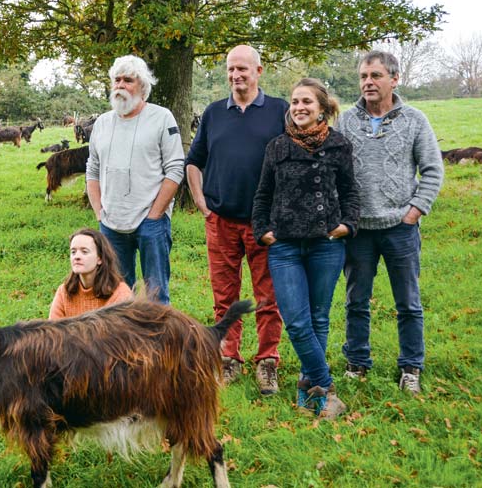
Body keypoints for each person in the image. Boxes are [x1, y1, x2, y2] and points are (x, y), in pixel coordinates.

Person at [335, 50, 444, 395]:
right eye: (364, 76)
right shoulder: (346, 122)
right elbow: (333, 171)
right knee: (356, 300)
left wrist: (414, 210)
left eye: (376, 76)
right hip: (359, 230)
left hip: (400, 227)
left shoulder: (415, 120)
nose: (368, 82)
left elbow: (432, 169)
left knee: (408, 302)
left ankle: (411, 366)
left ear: (394, 79)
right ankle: (357, 362)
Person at [252, 78, 359, 419]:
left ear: (322, 109)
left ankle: (307, 389)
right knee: (297, 321)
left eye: (306, 102)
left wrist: (347, 225)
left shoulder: (339, 146)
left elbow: (350, 192)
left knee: (318, 318)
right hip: (284, 246)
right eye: (295, 102)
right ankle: (326, 388)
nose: (299, 107)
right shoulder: (277, 147)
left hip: (326, 245)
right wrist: (263, 231)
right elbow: (263, 195)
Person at [185, 44, 287, 392]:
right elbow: (194, 161)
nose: (236, 75)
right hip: (222, 221)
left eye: (243, 69)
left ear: (259, 71)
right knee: (224, 296)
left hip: (265, 224)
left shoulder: (279, 111)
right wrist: (201, 203)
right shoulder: (214, 113)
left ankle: (267, 361)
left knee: (267, 296)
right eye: (231, 69)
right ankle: (229, 358)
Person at [86, 55, 185, 305]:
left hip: (151, 223)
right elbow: (92, 170)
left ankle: (159, 344)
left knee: (156, 294)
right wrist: (99, 211)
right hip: (111, 224)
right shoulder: (102, 123)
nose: (120, 85)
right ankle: (125, 345)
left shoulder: (162, 118)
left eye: (127, 80)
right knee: (117, 294)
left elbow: (175, 168)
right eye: (116, 80)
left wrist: (155, 214)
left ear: (142, 86)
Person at [49, 228, 133, 319]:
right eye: (73, 252)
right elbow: (52, 330)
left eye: (84, 252)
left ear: (100, 258)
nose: (76, 257)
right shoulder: (63, 292)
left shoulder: (120, 293)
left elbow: (121, 331)